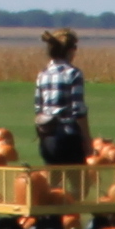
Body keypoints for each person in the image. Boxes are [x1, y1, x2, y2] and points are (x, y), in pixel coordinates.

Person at [30, 28, 91, 167]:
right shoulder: (73, 73)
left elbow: (38, 108)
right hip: (68, 138)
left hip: (47, 139)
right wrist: (87, 140)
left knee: (53, 184)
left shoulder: (43, 74)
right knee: (78, 184)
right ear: (69, 50)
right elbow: (78, 110)